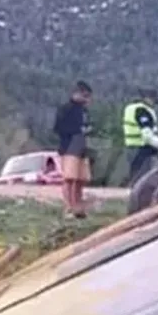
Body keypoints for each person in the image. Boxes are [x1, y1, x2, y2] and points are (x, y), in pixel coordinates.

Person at [52, 80, 93, 218]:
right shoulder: (65, 109)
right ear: (76, 93)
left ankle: (78, 206)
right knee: (70, 179)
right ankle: (69, 207)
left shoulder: (84, 111)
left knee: (81, 179)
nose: (87, 99)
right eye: (84, 95)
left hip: (82, 148)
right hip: (69, 147)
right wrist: (75, 130)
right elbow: (58, 128)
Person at [121, 87, 158, 186]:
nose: (154, 104)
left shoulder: (131, 108)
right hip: (142, 147)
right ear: (148, 98)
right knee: (143, 180)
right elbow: (147, 135)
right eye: (154, 101)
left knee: (136, 176)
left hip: (132, 146)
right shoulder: (142, 111)